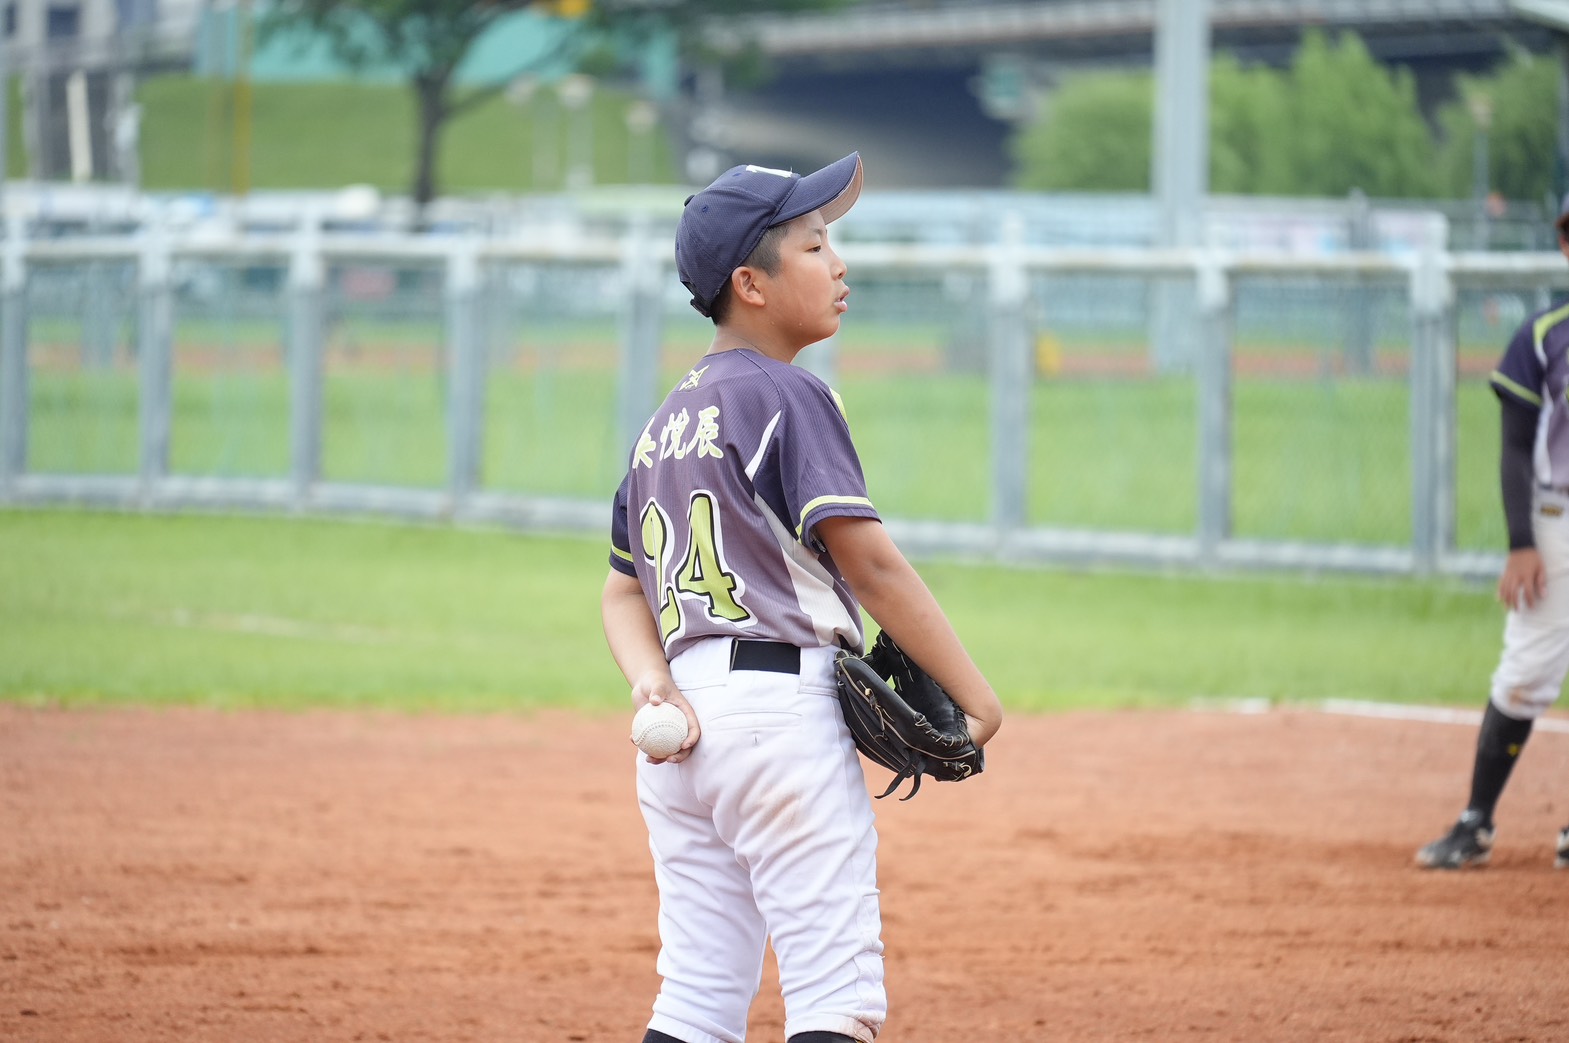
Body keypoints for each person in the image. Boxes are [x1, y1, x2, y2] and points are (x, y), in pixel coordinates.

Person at [599, 153, 1004, 1042]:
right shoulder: (789, 395)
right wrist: (976, 696)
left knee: (697, 996)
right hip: (779, 718)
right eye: (816, 244)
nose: (840, 263)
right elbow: (871, 567)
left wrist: (649, 682)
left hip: (684, 735)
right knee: (833, 996)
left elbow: (622, 592)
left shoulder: (664, 420)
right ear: (751, 283)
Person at [1416, 194, 1569, 870]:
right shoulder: (1543, 335)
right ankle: (1475, 820)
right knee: (1525, 673)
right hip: (1554, 520)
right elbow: (1513, 445)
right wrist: (1519, 541)